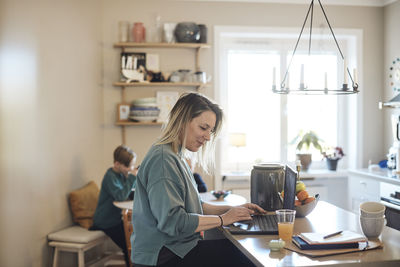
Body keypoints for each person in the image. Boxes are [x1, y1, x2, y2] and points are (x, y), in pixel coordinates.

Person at [131, 92, 265, 267]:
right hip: (162, 257)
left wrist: (233, 210)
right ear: (182, 121)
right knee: (245, 258)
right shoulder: (163, 159)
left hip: (177, 250)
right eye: (203, 128)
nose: (208, 137)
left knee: (241, 253)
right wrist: (224, 219)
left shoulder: (176, 155)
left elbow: (196, 207)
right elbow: (173, 222)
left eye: (211, 131)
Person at [92, 145, 138, 267]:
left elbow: (127, 192)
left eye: (132, 165)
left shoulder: (122, 174)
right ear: (117, 164)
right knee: (129, 245)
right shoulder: (110, 177)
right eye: (128, 166)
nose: (130, 168)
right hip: (105, 221)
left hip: (115, 219)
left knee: (134, 237)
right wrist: (132, 177)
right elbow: (121, 196)